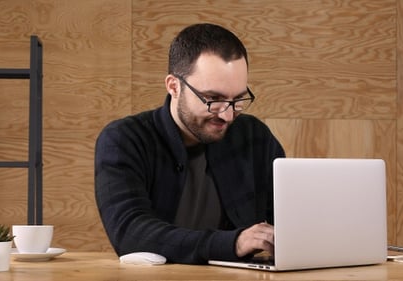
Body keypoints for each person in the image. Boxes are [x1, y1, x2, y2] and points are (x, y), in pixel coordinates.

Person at [95, 23, 285, 265]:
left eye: (237, 99)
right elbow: (130, 233)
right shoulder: (124, 139)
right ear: (174, 86)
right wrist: (234, 243)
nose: (227, 115)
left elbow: (290, 223)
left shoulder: (255, 136)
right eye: (213, 99)